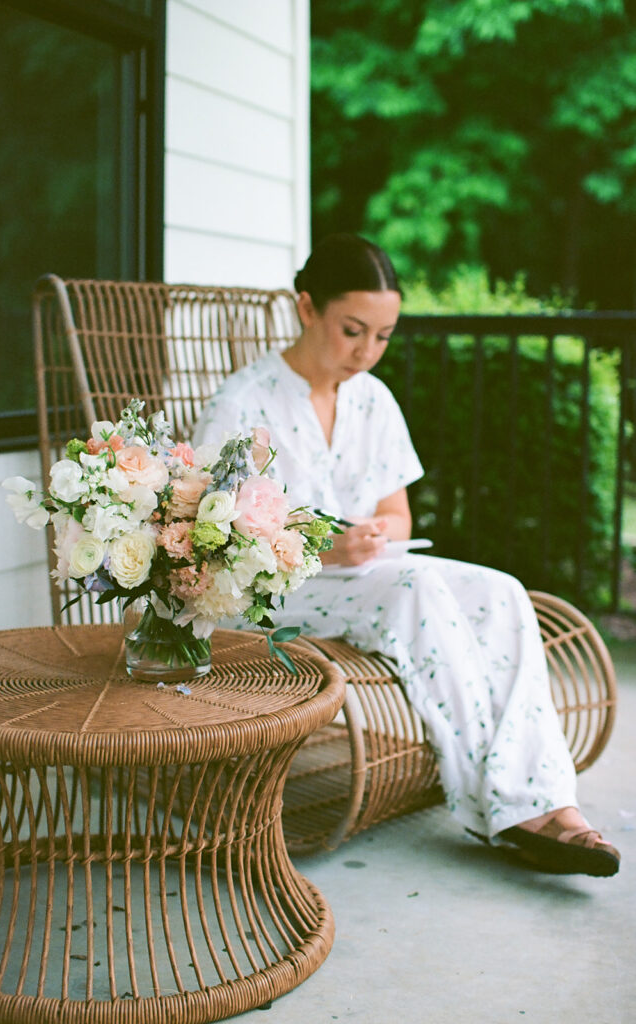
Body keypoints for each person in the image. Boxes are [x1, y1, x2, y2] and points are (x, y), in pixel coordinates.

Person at [192, 233, 620, 878]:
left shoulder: (374, 400)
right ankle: (511, 809)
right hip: (275, 593)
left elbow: (398, 517)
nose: (367, 352)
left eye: (384, 336)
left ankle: (551, 800)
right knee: (413, 590)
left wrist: (368, 537)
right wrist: (321, 545)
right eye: (352, 330)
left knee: (501, 590)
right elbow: (215, 541)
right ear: (307, 308)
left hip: (370, 574)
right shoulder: (243, 404)